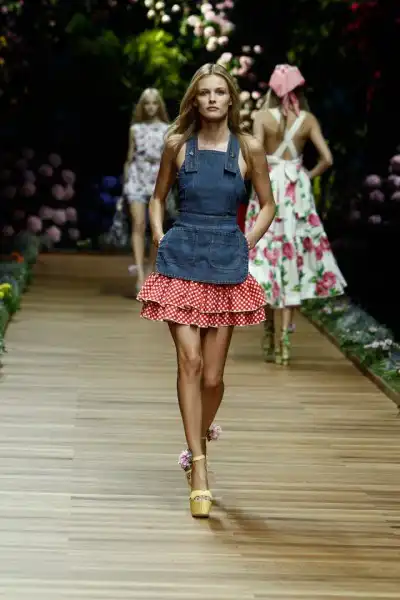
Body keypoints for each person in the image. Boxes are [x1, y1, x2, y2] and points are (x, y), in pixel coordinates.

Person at [137, 63, 276, 518]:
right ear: (194, 100)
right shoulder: (178, 145)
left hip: (226, 264)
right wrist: (159, 235)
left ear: (231, 98)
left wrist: (248, 240)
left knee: (213, 378)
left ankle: (195, 441)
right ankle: (199, 466)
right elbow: (157, 197)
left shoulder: (249, 148)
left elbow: (268, 204)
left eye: (219, 92)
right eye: (204, 93)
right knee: (190, 361)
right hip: (180, 258)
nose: (212, 99)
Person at [245, 64, 346, 365]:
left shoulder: (261, 117)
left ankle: (268, 333)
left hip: (270, 185)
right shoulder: (308, 119)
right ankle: (285, 342)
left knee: (267, 255)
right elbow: (327, 159)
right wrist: (305, 175)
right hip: (295, 190)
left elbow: (255, 155)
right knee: (292, 256)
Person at [123, 88, 170, 291]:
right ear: (142, 106)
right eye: (147, 103)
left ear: (159, 105)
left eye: (154, 103)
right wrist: (126, 182)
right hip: (136, 178)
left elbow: (170, 159)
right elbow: (129, 157)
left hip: (157, 179)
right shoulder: (135, 129)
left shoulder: (167, 129)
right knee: (138, 224)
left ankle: (151, 271)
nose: (151, 107)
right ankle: (140, 275)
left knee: (155, 227)